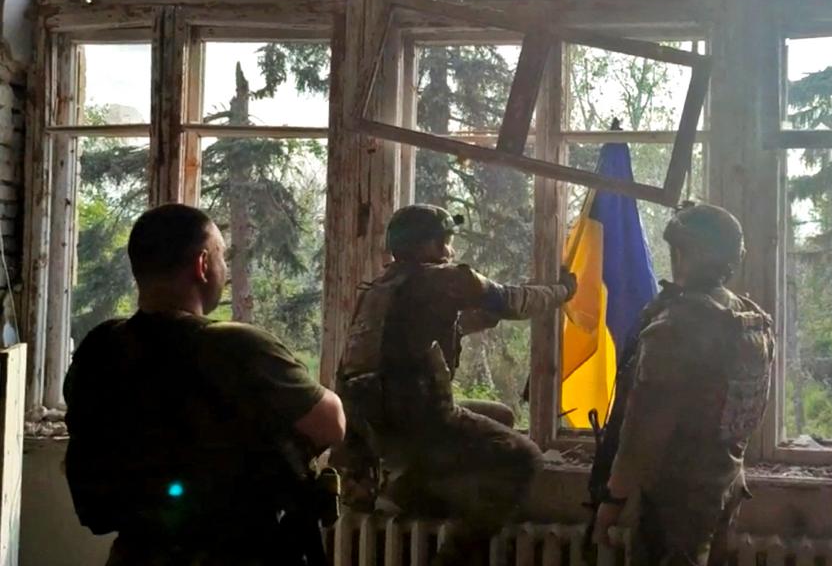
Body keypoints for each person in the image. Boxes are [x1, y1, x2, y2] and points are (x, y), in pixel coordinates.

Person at [63, 204, 346, 566]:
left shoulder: (101, 345)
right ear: (201, 264)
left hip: (136, 552)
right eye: (221, 256)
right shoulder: (234, 345)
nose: (224, 268)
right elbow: (330, 422)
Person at [335, 204, 577, 565]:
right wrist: (562, 290)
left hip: (380, 428)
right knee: (524, 456)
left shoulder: (379, 290)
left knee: (501, 415)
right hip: (421, 420)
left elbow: (436, 331)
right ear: (427, 246)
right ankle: (457, 554)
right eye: (446, 241)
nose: (450, 250)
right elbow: (513, 300)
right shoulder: (440, 278)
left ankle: (411, 487)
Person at [591, 203, 775, 566]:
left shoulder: (676, 327)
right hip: (724, 484)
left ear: (685, 253)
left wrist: (612, 500)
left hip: (675, 498)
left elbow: (644, 432)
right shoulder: (750, 319)